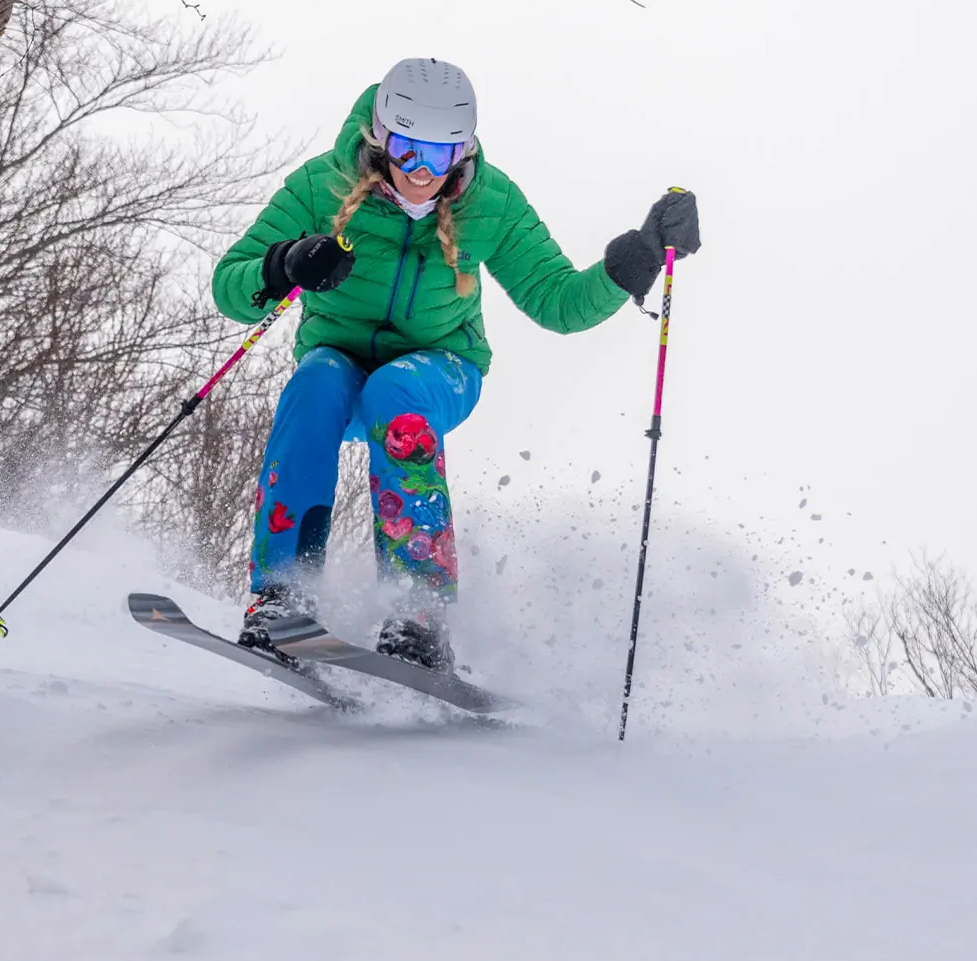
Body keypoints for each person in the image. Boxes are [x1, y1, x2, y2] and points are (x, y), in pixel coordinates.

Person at [213, 57, 700, 671]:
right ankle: (282, 597)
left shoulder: (491, 203)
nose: (421, 173)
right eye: (407, 150)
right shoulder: (320, 186)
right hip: (337, 359)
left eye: (439, 157)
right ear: (378, 139)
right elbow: (229, 285)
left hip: (440, 367)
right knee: (312, 387)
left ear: (462, 153)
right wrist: (284, 263)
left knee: (396, 395)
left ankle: (420, 614)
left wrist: (638, 259)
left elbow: (557, 302)